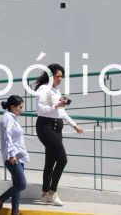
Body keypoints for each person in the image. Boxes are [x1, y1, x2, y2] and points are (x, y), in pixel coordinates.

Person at [34, 63, 84, 206]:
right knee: (62, 159)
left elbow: (61, 112)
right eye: (58, 76)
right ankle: (53, 192)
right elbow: (40, 110)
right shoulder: (44, 89)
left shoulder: (56, 90)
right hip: (46, 127)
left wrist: (74, 125)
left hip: (57, 128)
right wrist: (55, 105)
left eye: (61, 77)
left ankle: (45, 193)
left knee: (50, 161)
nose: (60, 79)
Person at [0, 95, 29, 215]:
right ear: (12, 107)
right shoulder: (7, 118)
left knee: (17, 184)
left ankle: (15, 212)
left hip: (18, 156)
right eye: (20, 107)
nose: (21, 109)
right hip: (12, 157)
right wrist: (11, 155)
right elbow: (7, 137)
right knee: (22, 184)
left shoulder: (13, 118)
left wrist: (19, 155)